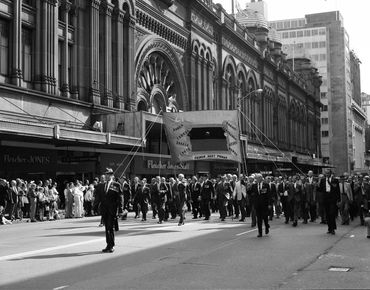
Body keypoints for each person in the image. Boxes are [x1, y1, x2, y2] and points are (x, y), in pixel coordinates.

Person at [94, 168, 123, 253]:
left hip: (112, 210)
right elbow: (98, 198)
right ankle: (108, 245)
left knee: (111, 227)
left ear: (112, 175)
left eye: (109, 174)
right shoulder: (101, 185)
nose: (107, 175)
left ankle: (111, 245)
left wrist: (120, 209)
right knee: (107, 228)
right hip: (104, 210)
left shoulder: (116, 185)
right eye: (106, 174)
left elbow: (120, 197)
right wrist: (94, 207)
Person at [319, 169, 340, 235]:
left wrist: (338, 199)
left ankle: (333, 228)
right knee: (327, 214)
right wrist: (317, 185)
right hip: (325, 198)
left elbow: (337, 190)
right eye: (326, 173)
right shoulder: (322, 180)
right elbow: (320, 189)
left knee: (332, 213)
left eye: (328, 173)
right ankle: (329, 228)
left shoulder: (335, 180)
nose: (327, 174)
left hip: (332, 198)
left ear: (330, 173)